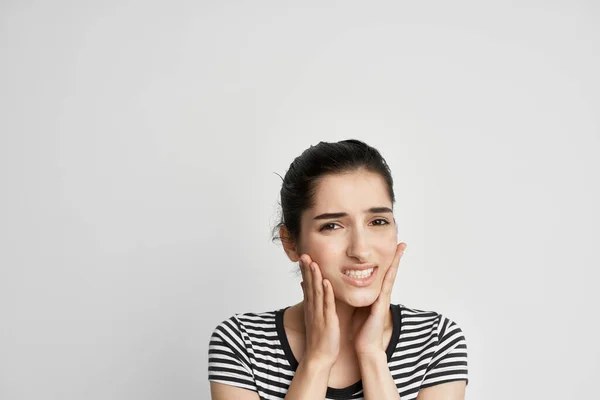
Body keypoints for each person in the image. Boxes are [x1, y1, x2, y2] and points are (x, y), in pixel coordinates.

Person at [208, 139, 468, 399]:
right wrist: (317, 360)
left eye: (378, 221)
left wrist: (372, 356)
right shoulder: (242, 343)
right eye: (332, 226)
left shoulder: (436, 341)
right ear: (291, 243)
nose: (360, 250)